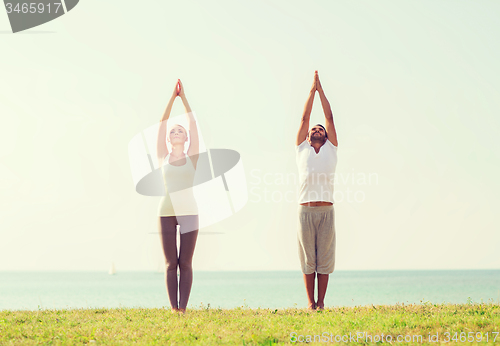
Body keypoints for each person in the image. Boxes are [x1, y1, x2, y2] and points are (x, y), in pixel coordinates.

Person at [295, 71, 338, 310]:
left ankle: (321, 302)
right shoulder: (302, 149)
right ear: (308, 137)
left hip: (326, 211)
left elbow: (329, 117)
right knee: (308, 260)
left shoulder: (332, 149)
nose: (316, 130)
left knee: (324, 259)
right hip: (306, 211)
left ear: (327, 135)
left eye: (320, 129)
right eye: (313, 130)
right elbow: (304, 118)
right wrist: (311, 92)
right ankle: (310, 303)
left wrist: (322, 91)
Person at [156, 79, 199, 313]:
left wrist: (183, 98)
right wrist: (171, 98)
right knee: (171, 263)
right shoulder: (163, 156)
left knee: (186, 262)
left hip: (190, 211)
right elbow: (162, 124)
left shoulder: (193, 156)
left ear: (186, 138)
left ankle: (183, 308)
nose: (175, 131)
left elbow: (192, 122)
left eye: (179, 130)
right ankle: (174, 309)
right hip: (166, 211)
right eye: (173, 131)